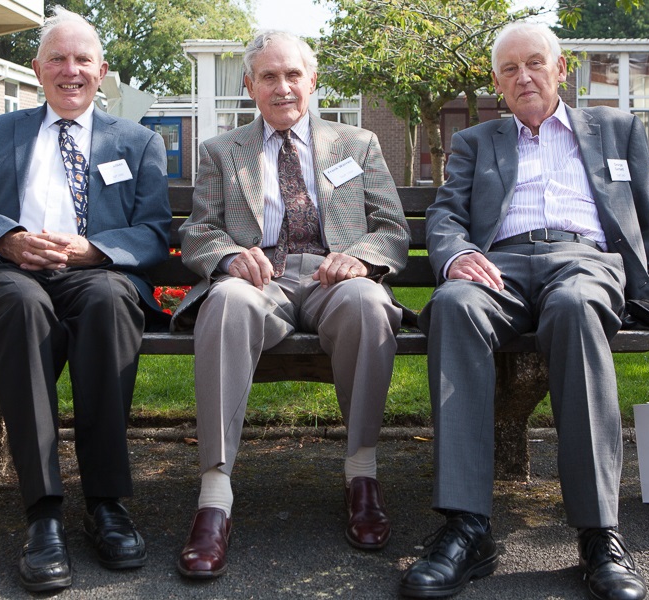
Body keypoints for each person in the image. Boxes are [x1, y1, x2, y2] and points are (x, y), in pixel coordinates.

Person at [399, 22, 649, 600]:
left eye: (534, 63)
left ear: (561, 68)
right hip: (498, 264)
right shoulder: (478, 141)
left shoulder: (616, 130)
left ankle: (599, 532)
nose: (523, 77)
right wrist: (458, 256)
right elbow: (446, 216)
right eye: (508, 69)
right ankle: (468, 526)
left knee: (575, 309)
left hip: (582, 260)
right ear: (497, 82)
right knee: (453, 305)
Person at [0, 6, 172, 593]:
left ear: (102, 70)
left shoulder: (138, 141)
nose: (71, 71)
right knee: (20, 304)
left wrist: (95, 249)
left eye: (82, 59)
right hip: (9, 274)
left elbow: (155, 233)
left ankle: (106, 504)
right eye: (57, 59)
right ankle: (43, 516)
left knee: (111, 302)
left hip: (93, 272)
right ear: (37, 70)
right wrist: (8, 240)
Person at [169, 31, 410, 579]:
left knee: (369, 304)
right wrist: (229, 256)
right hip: (261, 281)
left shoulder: (358, 144)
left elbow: (393, 231)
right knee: (226, 302)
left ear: (312, 80)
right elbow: (198, 232)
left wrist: (362, 260)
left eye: (293, 75)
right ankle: (214, 497)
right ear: (250, 85)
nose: (283, 88)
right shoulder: (222, 152)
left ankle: (362, 475)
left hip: (334, 276)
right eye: (269, 77)